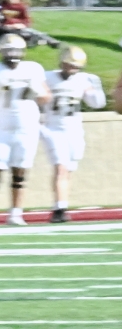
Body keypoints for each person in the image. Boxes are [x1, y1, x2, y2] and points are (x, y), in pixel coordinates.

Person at [0, 33, 47, 226]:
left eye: (15, 50)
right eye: (8, 50)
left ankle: (16, 212)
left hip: (27, 127)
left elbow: (46, 98)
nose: (12, 54)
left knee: (21, 170)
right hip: (1, 127)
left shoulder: (33, 69)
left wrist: (37, 90)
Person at [38, 46, 105, 223]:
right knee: (61, 168)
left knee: (68, 170)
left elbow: (97, 104)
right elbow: (34, 99)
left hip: (74, 130)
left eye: (76, 67)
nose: (72, 70)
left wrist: (94, 87)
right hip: (53, 129)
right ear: (62, 62)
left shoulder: (83, 79)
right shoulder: (47, 77)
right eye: (69, 65)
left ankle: (61, 203)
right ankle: (59, 208)